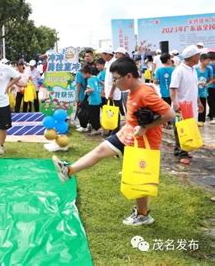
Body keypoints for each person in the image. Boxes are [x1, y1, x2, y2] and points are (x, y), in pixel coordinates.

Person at [54, 57, 175, 226]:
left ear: (129, 76)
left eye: (116, 79)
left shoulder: (145, 92)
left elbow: (170, 115)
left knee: (138, 180)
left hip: (143, 141)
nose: (114, 83)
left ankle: (143, 214)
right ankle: (69, 171)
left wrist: (145, 128)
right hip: (128, 134)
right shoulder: (134, 90)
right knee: (100, 150)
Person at [170, 45, 204, 165]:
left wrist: (199, 102)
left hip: (191, 105)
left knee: (188, 128)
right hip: (181, 106)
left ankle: (180, 150)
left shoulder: (193, 70)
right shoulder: (179, 70)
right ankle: (182, 153)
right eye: (198, 55)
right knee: (181, 129)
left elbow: (194, 88)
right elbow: (173, 88)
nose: (199, 57)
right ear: (192, 57)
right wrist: (175, 103)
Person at [81, 65, 102, 135]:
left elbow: (92, 89)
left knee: (93, 116)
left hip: (93, 101)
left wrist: (86, 91)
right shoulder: (95, 77)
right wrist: (102, 91)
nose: (82, 75)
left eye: (83, 74)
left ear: (87, 73)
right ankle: (98, 128)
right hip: (98, 99)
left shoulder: (89, 80)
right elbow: (102, 83)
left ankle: (95, 129)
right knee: (97, 114)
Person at [196, 51, 213, 126]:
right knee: (194, 104)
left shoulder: (209, 69)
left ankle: (201, 121)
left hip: (203, 90)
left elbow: (211, 79)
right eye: (207, 61)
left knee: (202, 103)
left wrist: (206, 84)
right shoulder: (195, 69)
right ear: (202, 60)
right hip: (195, 89)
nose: (209, 62)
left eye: (209, 61)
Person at [208, 51, 215, 124]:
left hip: (210, 86)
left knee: (211, 101)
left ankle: (212, 115)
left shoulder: (209, 66)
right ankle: (210, 114)